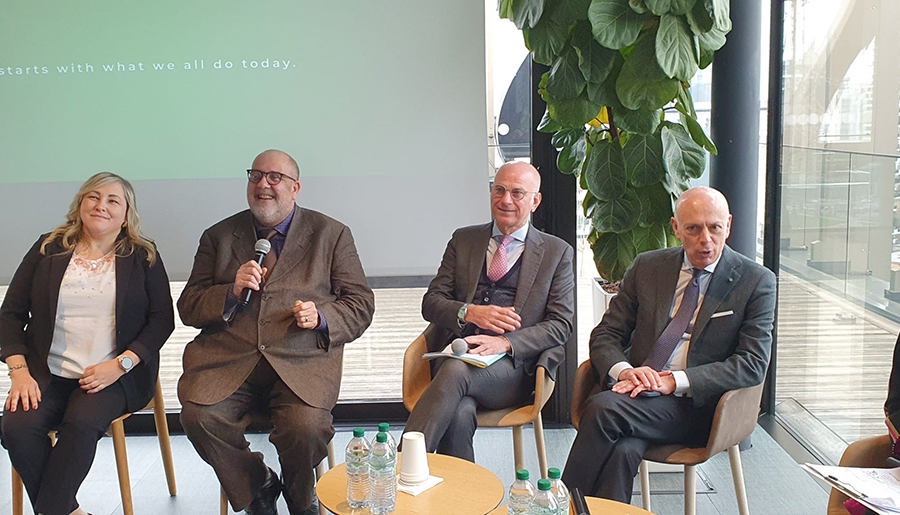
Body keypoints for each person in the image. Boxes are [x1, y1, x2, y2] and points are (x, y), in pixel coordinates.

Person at [177, 149, 375, 515]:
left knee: (306, 428)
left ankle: (301, 499)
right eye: (255, 175)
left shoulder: (331, 234)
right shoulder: (218, 236)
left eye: (274, 177)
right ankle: (258, 486)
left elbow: (361, 304)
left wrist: (322, 317)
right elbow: (189, 305)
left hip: (302, 363)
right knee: (198, 417)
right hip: (228, 362)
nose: (263, 184)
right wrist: (230, 292)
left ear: (295, 188)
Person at [562, 186, 776, 503]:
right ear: (676, 228)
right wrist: (625, 371)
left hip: (699, 407)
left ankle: (558, 503)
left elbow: (752, 364)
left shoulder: (756, 281)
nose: (706, 240)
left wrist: (674, 381)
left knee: (603, 409)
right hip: (636, 394)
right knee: (623, 449)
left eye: (715, 228)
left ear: (728, 225)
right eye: (693, 229)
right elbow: (606, 333)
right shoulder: (648, 267)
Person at [0, 172, 174, 515]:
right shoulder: (47, 248)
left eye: (113, 200)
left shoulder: (143, 256)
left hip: (113, 376)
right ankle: (67, 511)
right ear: (80, 204)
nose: (101, 205)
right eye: (93, 197)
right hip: (45, 373)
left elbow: (161, 320)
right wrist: (19, 372)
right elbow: (10, 315)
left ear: (126, 216)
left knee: (80, 423)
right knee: (16, 428)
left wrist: (121, 364)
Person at [402, 161, 575, 461]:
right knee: (459, 411)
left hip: (513, 369)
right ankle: (458, 491)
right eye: (500, 190)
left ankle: (403, 464)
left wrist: (506, 342)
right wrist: (469, 312)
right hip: (457, 353)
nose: (506, 200)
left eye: (517, 193)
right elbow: (431, 302)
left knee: (455, 371)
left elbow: (561, 324)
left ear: (535, 201)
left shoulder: (556, 252)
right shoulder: (464, 240)